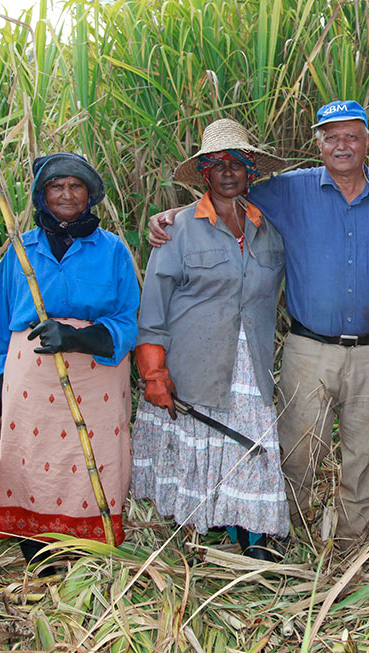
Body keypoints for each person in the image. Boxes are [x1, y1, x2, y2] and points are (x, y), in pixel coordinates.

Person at [148, 101, 369, 551]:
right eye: (331, 137)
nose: (342, 145)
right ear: (318, 144)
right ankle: (288, 536)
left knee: (365, 454)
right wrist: (170, 216)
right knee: (297, 451)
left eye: (352, 135)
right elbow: (222, 196)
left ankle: (353, 545)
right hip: (308, 347)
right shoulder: (289, 190)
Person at [130, 119, 289, 560]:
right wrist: (154, 373)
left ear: (250, 170)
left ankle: (253, 537)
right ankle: (210, 533)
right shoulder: (176, 229)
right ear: (204, 173)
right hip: (192, 364)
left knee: (251, 447)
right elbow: (154, 310)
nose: (227, 172)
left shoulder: (269, 230)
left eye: (236, 163)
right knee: (201, 448)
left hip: (250, 364)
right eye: (216, 164)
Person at [0, 153, 139, 568]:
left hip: (96, 374)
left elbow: (126, 318)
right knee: (31, 454)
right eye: (56, 187)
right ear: (42, 196)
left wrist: (79, 338)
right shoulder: (20, 250)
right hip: (32, 379)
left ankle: (88, 544)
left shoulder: (113, 250)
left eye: (76, 186)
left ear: (90, 195)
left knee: (94, 458)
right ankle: (37, 544)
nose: (67, 194)